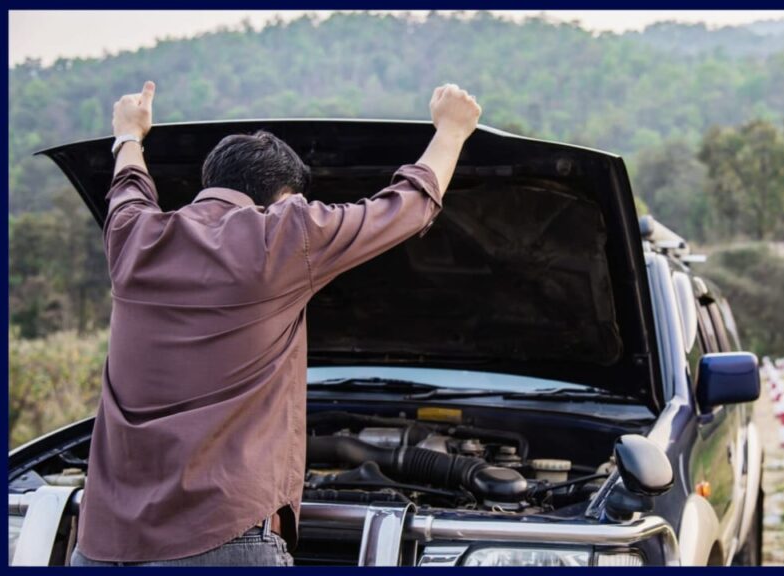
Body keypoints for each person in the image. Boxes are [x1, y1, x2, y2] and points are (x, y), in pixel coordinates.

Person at [69, 81, 482, 566]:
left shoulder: (131, 235)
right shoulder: (283, 236)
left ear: (211, 180)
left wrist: (128, 134)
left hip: (100, 545)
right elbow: (406, 207)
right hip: (220, 539)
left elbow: (128, 187)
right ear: (284, 196)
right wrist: (452, 130)